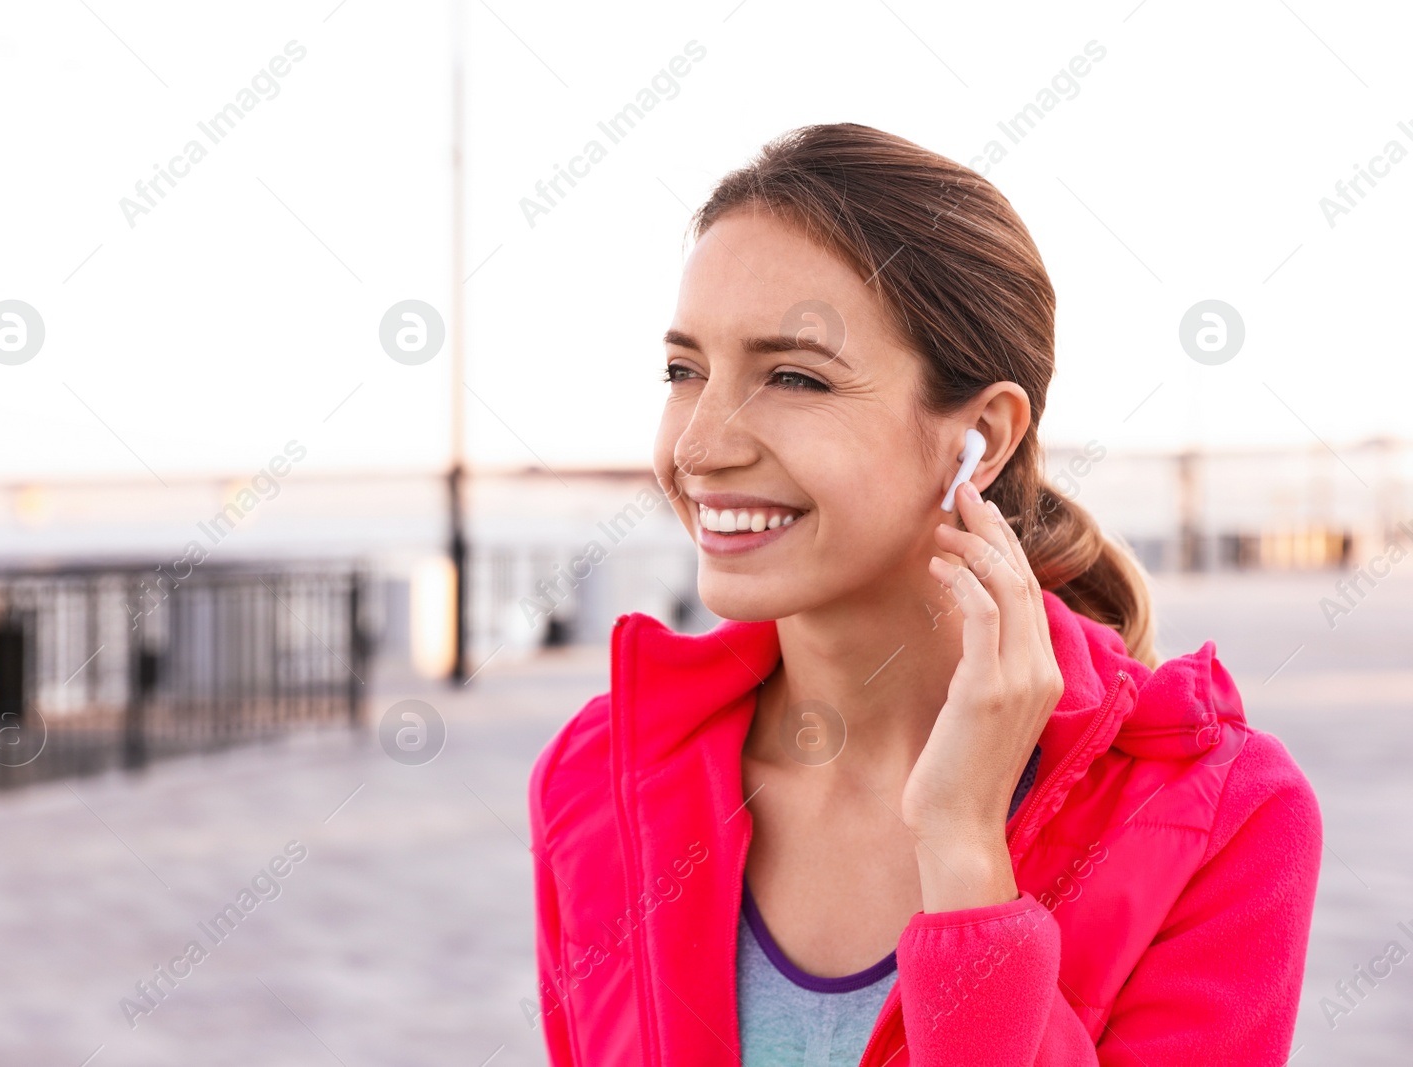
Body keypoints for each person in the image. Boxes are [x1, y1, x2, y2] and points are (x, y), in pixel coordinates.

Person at [527, 124, 1322, 1065]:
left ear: (978, 435)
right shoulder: (600, 775)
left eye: (792, 376)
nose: (698, 446)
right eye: (683, 371)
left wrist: (964, 856)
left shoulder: (1223, 820)